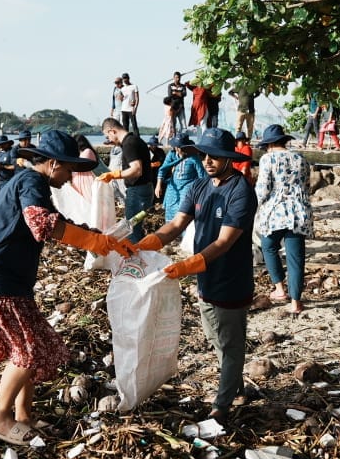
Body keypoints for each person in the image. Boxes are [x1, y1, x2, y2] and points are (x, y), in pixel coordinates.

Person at [0, 130, 134, 446]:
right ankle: (0, 417)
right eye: (70, 169)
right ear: (54, 164)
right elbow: (41, 224)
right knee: (27, 350)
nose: (71, 177)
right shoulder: (33, 182)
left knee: (33, 347)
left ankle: (24, 415)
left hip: (9, 281)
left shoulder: (28, 182)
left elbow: (59, 221)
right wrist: (94, 241)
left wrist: (98, 235)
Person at [132, 127, 257, 423]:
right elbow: (176, 225)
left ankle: (222, 405)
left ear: (229, 158)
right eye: (204, 155)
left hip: (231, 278)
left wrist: (189, 264)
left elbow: (225, 242)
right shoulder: (198, 187)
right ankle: (235, 384)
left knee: (230, 344)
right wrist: (144, 245)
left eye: (215, 156)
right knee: (215, 336)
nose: (208, 160)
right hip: (205, 278)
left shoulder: (240, 192)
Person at [255, 125, 313, 315]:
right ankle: (296, 302)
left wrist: (253, 206)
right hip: (299, 212)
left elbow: (263, 188)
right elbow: (306, 186)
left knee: (269, 247)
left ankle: (280, 290)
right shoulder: (300, 159)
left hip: (275, 212)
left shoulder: (268, 158)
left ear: (269, 144)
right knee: (296, 258)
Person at [98, 117, 154, 242]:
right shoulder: (134, 140)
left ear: (112, 131)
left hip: (137, 190)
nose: (109, 139)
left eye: (108, 136)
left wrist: (114, 175)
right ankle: (140, 252)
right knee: (136, 226)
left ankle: (134, 255)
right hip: (144, 188)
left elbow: (136, 170)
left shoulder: (129, 144)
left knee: (132, 228)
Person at [156, 133, 201, 222]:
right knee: (170, 208)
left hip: (188, 185)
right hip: (174, 184)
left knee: (183, 210)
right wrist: (158, 185)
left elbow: (202, 175)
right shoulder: (172, 154)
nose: (180, 149)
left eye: (182, 147)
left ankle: (183, 232)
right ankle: (170, 232)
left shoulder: (194, 157)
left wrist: (200, 192)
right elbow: (163, 169)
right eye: (178, 147)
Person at [167, 71, 187, 136]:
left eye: (178, 77)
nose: (177, 79)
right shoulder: (170, 85)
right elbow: (170, 95)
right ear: (174, 78)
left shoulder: (183, 86)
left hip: (181, 107)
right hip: (173, 108)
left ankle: (182, 139)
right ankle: (174, 139)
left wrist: (175, 93)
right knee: (173, 125)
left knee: (184, 125)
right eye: (176, 77)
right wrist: (179, 94)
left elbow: (184, 94)